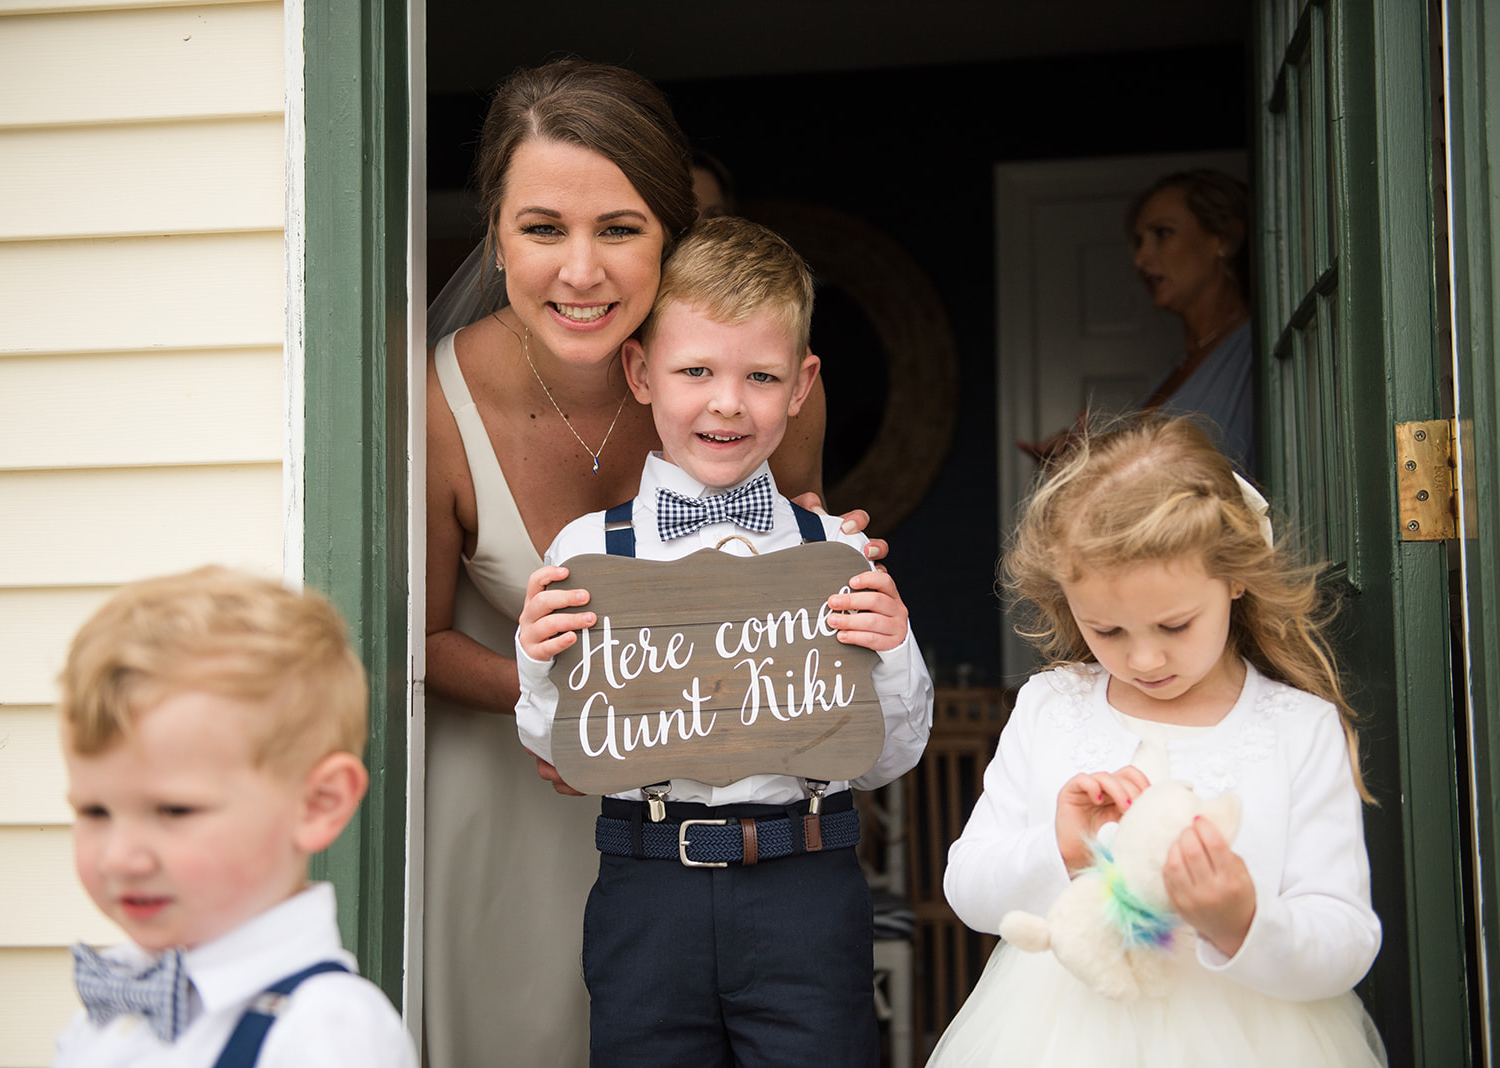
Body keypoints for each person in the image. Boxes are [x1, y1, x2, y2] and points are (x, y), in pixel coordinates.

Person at [423, 59, 873, 1067]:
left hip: (727, 818)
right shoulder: (433, 406)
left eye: (619, 229)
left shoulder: (745, 388)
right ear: (496, 230)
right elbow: (422, 637)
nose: (580, 272)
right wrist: (572, 708)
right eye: (543, 229)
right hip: (518, 790)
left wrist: (837, 576)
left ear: (674, 232)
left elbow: (798, 565)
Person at [512, 216, 934, 1066]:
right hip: (648, 886)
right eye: (695, 370)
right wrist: (537, 660)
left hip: (805, 883)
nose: (727, 401)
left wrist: (892, 647)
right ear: (640, 373)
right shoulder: (589, 553)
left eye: (761, 375)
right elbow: (557, 749)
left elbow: (888, 754)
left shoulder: (837, 556)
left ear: (803, 384)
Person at [930, 415, 1385, 1066]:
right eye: (1107, 631)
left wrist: (1240, 920)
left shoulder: (1297, 730)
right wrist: (1059, 848)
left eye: (1175, 624)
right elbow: (968, 889)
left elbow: (1346, 941)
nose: (1143, 659)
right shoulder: (1050, 708)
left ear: (1235, 577)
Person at [52, 566, 417, 1068]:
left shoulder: (324, 1031)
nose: (120, 858)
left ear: (318, 804)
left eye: (174, 810)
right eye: (95, 810)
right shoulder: (114, 1001)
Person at [1020, 170, 1254, 474]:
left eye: (1162, 233)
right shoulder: (1184, 364)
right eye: (1139, 242)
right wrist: (1083, 460)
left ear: (1221, 239)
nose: (1141, 258)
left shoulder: (1253, 350)